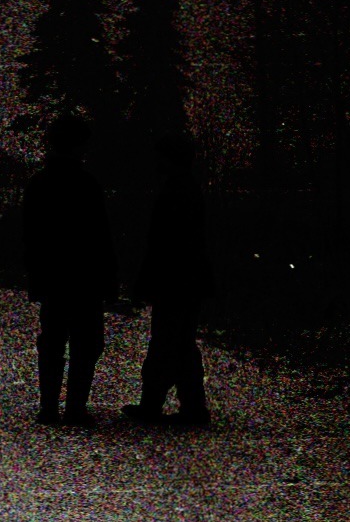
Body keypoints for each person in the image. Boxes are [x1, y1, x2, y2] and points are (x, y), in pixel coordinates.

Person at [23, 115, 118, 425]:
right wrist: (109, 281)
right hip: (84, 278)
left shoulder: (38, 183)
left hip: (52, 277)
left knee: (52, 341)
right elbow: (101, 237)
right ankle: (75, 407)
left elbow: (29, 235)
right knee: (86, 343)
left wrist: (34, 275)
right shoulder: (87, 184)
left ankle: (49, 406)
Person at [123, 135, 216, 426]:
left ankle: (162, 405)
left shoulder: (176, 192)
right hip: (185, 280)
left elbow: (163, 245)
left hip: (176, 281)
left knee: (168, 342)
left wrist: (146, 282)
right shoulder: (185, 189)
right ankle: (187, 406)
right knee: (178, 343)